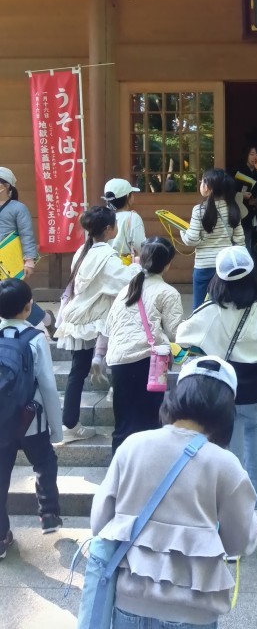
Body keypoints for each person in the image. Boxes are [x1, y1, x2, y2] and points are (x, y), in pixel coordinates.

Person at [90, 355, 257, 629]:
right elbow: (239, 543)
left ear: (176, 396)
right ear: (226, 409)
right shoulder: (226, 465)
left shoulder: (132, 446)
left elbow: (99, 523)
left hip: (130, 601)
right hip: (194, 610)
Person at [175, 246, 257, 515]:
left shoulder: (210, 312)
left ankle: (236, 502)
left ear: (218, 281)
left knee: (231, 444)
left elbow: (182, 335)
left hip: (228, 390)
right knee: (254, 428)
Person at [56, 206, 140, 443]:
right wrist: (137, 265)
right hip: (95, 320)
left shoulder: (82, 252)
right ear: (109, 229)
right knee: (113, 364)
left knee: (77, 371)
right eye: (115, 224)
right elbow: (125, 282)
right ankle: (115, 420)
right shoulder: (106, 257)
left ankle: (69, 424)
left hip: (79, 319)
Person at [0, 278, 63, 556]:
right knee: (45, 463)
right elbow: (47, 385)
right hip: (31, 421)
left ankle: (1, 539)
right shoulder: (36, 338)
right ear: (29, 306)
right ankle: (49, 515)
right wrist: (57, 429)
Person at [105, 237, 183, 455]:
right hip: (149, 362)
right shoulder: (168, 292)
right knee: (150, 424)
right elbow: (175, 332)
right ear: (168, 264)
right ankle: (148, 471)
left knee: (123, 424)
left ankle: (120, 471)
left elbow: (109, 325)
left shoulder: (127, 289)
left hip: (119, 360)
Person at [181, 168, 245, 310]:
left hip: (204, 265)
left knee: (200, 307)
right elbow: (240, 240)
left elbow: (191, 239)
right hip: (226, 265)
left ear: (208, 187)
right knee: (225, 305)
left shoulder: (199, 210)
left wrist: (182, 232)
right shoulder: (233, 208)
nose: (200, 184)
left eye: (202, 181)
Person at [0, 166, 53, 330]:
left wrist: (29, 260)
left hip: (9, 262)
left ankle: (47, 320)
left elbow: (27, 235)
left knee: (14, 296)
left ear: (6, 186)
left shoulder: (18, 208)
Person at [102, 177, 146, 263]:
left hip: (104, 263)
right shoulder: (133, 217)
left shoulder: (102, 215)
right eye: (132, 194)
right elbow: (140, 246)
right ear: (127, 196)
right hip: (123, 264)